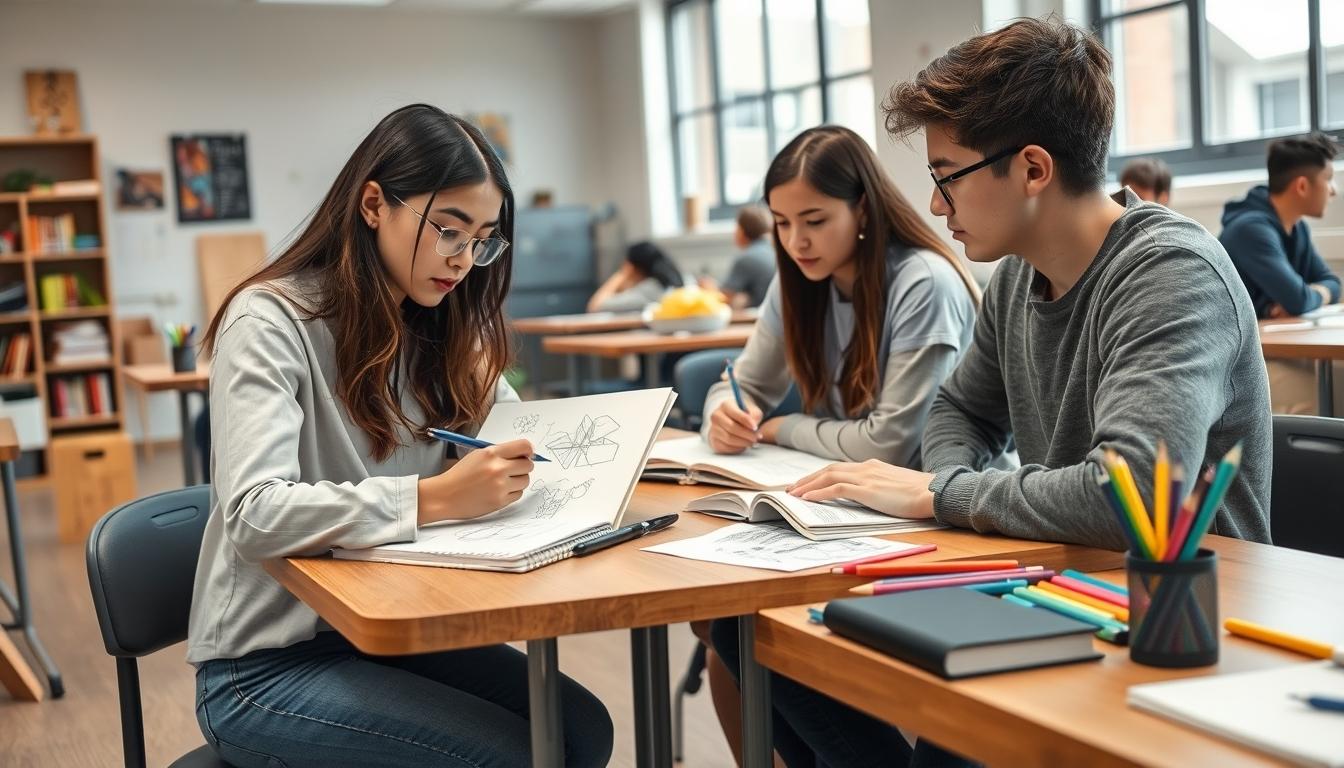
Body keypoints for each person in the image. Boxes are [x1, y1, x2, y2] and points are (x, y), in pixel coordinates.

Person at [779, 18, 1272, 765]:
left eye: (947, 176)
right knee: (785, 640)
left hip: (1183, 623)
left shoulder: (1172, 274)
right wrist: (953, 484)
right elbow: (961, 408)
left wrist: (944, 496)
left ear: (1033, 169)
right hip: (1063, 581)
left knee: (948, 741)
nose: (937, 207)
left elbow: (1134, 489)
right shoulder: (1015, 275)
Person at [186, 104, 613, 768]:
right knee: (510, 757)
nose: (465, 259)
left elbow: (514, 436)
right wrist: (434, 498)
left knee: (582, 730)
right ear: (374, 204)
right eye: (448, 230)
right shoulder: (270, 319)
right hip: (265, 667)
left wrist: (611, 445)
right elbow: (253, 513)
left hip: (388, 630)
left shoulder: (432, 317)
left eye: (483, 239)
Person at [701, 124, 980, 767]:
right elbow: (738, 384)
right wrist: (725, 412)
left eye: (814, 220)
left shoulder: (924, 283)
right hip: (851, 516)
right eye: (780, 222)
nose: (795, 241)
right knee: (730, 629)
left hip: (941, 525)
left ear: (863, 209)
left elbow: (891, 441)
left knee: (744, 633)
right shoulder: (799, 279)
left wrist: (777, 427)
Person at [1219, 132, 1339, 413]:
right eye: (1328, 178)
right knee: (1323, 387)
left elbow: (1332, 282)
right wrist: (1303, 295)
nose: (1333, 190)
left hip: (1263, 351)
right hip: (1233, 363)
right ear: (1301, 186)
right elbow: (1298, 299)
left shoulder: (1297, 228)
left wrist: (1313, 293)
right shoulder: (1250, 229)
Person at [700, 205, 777, 308]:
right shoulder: (773, 251)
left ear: (742, 231)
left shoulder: (747, 259)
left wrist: (709, 288)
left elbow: (724, 296)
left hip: (756, 314)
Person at [586, 240, 687, 312]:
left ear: (633, 268)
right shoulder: (685, 280)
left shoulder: (650, 289)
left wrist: (622, 274)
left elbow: (595, 306)